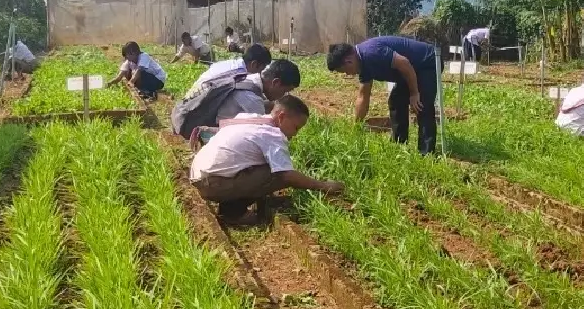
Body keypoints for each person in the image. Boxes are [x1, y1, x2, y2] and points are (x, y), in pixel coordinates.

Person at [189, 95, 344, 221]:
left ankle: (235, 206)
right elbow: (287, 175)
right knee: (278, 175)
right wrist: (323, 186)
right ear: (281, 117)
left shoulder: (249, 118)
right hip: (212, 184)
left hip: (200, 176)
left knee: (267, 166)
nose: (295, 134)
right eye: (296, 128)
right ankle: (233, 213)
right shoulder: (272, 135)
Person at [327, 36, 439, 155]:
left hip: (427, 63)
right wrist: (357, 125)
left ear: (348, 61)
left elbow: (403, 62)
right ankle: (399, 144)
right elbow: (363, 97)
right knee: (396, 101)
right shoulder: (362, 64)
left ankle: (426, 154)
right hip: (409, 70)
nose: (348, 74)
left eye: (345, 71)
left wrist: (414, 93)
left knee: (422, 104)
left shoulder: (372, 53)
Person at [187, 43, 272, 96]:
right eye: (262, 68)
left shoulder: (232, 64)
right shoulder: (238, 75)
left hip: (189, 100)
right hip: (196, 107)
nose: (260, 73)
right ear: (254, 64)